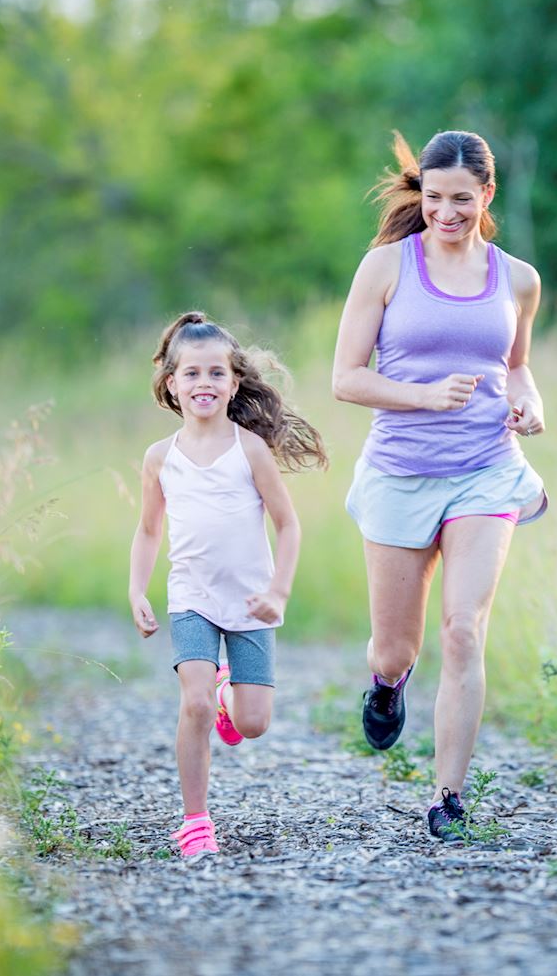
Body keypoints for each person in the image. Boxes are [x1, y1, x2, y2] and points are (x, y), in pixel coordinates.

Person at [333, 130, 548, 840]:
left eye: (461, 200)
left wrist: (530, 402)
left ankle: (448, 798)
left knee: (463, 631)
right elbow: (346, 379)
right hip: (400, 471)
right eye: (433, 199)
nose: (446, 213)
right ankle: (388, 684)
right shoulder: (385, 268)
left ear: (487, 196)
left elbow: (515, 367)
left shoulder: (517, 278)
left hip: (486, 468)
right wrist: (424, 396)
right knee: (398, 648)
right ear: (419, 195)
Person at [129, 311, 327, 860]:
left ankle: (227, 694)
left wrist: (279, 591)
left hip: (250, 603)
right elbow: (148, 531)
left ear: (234, 382)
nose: (204, 384)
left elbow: (289, 525)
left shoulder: (250, 450)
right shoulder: (159, 458)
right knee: (190, 704)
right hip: (190, 597)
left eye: (216, 373)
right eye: (191, 374)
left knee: (253, 723)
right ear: (172, 384)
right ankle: (196, 822)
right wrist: (137, 590)